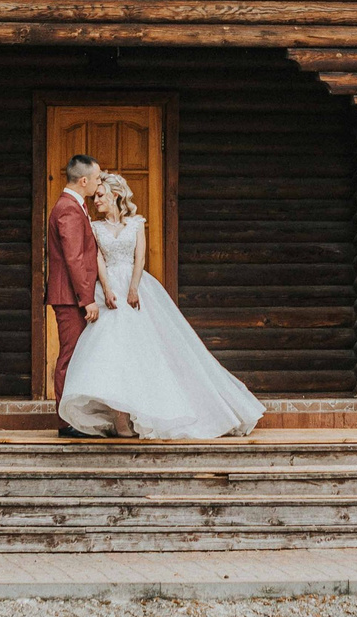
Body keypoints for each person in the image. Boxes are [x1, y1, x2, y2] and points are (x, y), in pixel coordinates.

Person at [57, 171, 264, 440]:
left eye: (100, 195)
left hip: (135, 287)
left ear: (115, 195)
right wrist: (107, 289)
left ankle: (149, 412)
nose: (96, 201)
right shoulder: (95, 228)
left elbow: (140, 258)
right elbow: (98, 260)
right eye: (95, 196)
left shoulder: (136, 223)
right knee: (114, 354)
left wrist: (133, 288)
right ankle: (120, 419)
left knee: (146, 353)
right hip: (109, 292)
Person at [44, 153, 101, 438]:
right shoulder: (68, 208)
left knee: (77, 355)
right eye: (97, 178)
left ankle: (75, 417)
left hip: (72, 295)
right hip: (69, 297)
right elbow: (74, 257)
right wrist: (86, 299)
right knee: (69, 357)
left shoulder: (75, 205)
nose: (99, 183)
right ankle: (66, 422)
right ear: (84, 181)